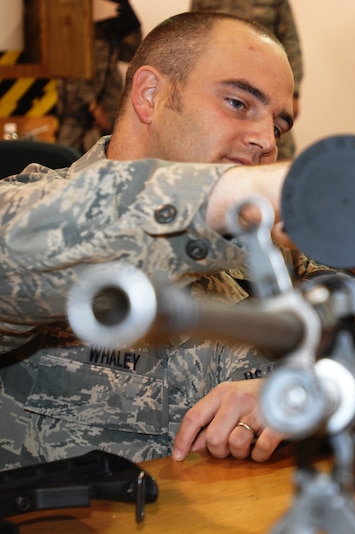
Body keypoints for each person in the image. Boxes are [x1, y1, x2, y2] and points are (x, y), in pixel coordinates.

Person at [0, 12, 319, 470]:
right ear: (150, 95)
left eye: (278, 125)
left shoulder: (276, 251)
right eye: (237, 103)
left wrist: (303, 384)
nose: (266, 141)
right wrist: (217, 198)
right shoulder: (27, 213)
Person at [191, 0, 303, 160]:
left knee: (276, 158)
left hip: (266, 82)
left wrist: (294, 92)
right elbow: (194, 32)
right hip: (223, 77)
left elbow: (290, 42)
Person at [55, 0, 142, 153]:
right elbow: (69, 69)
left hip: (109, 102)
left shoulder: (111, 18)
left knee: (110, 156)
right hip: (78, 108)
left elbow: (130, 53)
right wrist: (93, 106)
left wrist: (130, 24)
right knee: (66, 158)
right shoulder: (70, 16)